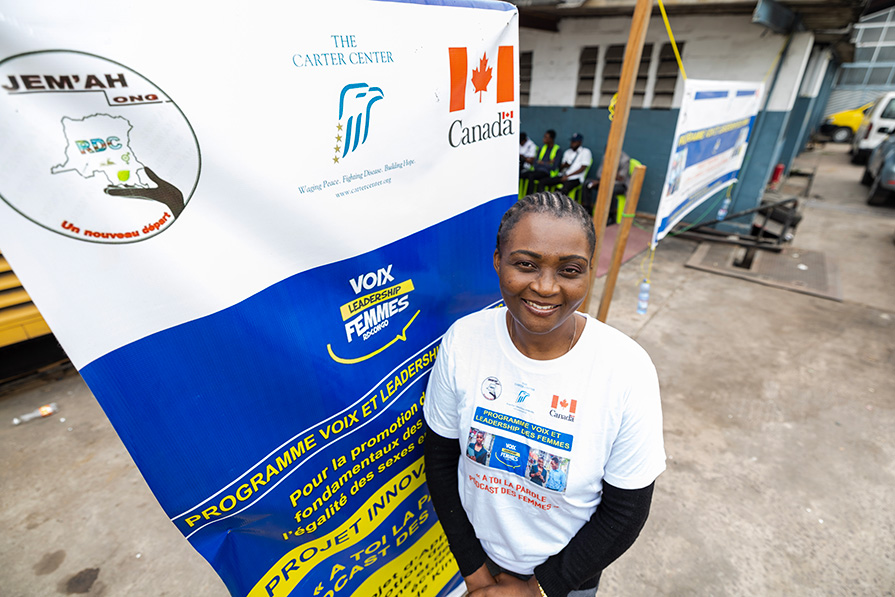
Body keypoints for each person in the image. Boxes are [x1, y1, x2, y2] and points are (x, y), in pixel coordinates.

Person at [423, 191, 666, 597]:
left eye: (570, 270)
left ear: (589, 272)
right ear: (498, 260)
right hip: (480, 566)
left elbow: (625, 512)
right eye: (526, 264)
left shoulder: (627, 369)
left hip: (568, 581)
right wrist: (476, 574)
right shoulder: (463, 342)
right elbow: (441, 462)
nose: (546, 287)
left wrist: (538, 590)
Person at [581, 149, 631, 218]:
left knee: (611, 190)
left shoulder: (625, 159)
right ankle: (587, 209)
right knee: (587, 184)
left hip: (619, 185)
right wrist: (609, 177)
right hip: (603, 181)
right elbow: (599, 174)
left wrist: (607, 175)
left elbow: (621, 178)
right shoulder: (606, 156)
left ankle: (610, 215)